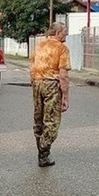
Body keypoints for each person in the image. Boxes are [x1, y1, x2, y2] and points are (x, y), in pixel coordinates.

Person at [30, 22, 71, 167]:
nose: (66, 34)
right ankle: (43, 151)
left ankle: (42, 153)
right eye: (65, 31)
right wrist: (65, 96)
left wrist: (34, 82)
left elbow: (32, 65)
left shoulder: (40, 45)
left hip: (37, 82)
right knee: (52, 121)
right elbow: (63, 75)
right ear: (58, 32)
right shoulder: (62, 49)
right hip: (51, 84)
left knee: (39, 118)